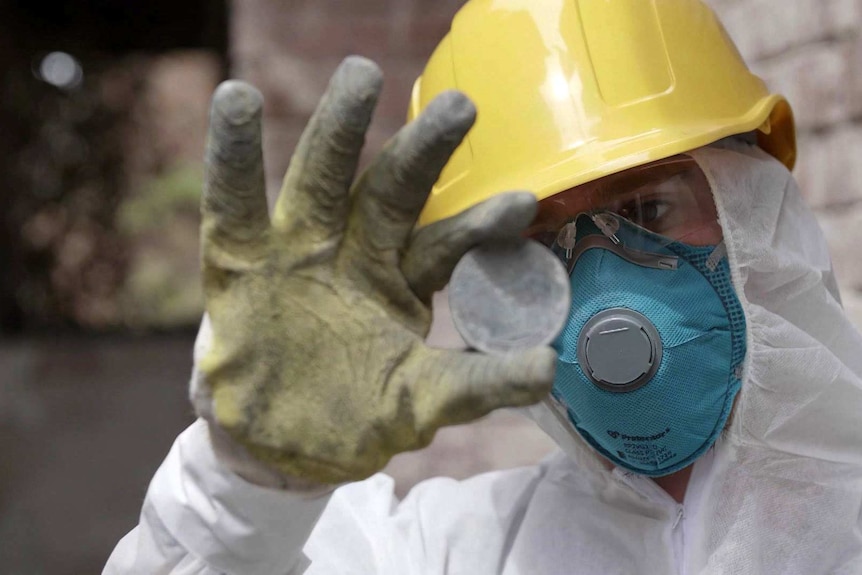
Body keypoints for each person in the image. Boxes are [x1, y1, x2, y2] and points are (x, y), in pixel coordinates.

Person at [104, 1, 862, 573]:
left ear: (753, 213)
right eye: (533, 241)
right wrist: (243, 485)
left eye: (644, 207)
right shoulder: (442, 551)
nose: (601, 286)